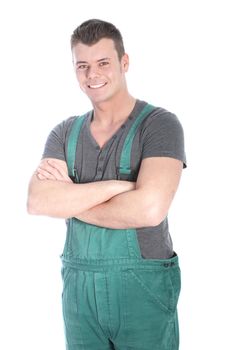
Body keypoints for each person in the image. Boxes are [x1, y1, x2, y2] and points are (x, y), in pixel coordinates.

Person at [27, 19, 186, 350]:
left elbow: (150, 208)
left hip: (143, 290)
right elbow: (38, 202)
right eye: (82, 66)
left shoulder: (159, 125)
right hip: (78, 292)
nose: (92, 74)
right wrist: (119, 187)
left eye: (103, 63)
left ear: (124, 63)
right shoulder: (64, 133)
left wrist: (69, 197)